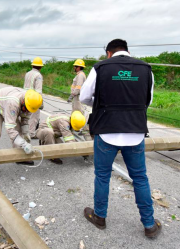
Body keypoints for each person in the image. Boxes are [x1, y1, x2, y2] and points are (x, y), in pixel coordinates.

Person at [79, 39, 161, 238]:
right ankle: (149, 225)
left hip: (106, 131)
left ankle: (99, 217)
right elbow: (147, 101)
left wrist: (99, 105)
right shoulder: (146, 69)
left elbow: (83, 98)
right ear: (128, 51)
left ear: (108, 53)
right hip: (135, 133)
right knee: (140, 178)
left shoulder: (99, 68)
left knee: (102, 176)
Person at [0, 87, 43, 176]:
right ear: (23, 102)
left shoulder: (30, 103)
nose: (27, 110)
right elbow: (10, 129)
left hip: (7, 107)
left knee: (19, 131)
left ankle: (19, 157)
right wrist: (24, 144)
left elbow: (25, 118)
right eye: (25, 108)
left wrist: (26, 133)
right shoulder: (13, 102)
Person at [68, 58, 92, 141]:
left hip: (78, 98)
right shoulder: (79, 75)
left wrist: (72, 94)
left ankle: (82, 128)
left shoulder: (80, 75)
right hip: (76, 97)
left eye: (75, 66)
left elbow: (78, 87)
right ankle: (75, 127)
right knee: (75, 113)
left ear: (78, 67)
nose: (74, 67)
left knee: (79, 113)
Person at [23, 57, 44, 139]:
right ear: (40, 66)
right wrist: (41, 103)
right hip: (33, 99)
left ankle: (24, 132)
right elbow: (38, 91)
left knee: (26, 116)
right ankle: (31, 133)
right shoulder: (38, 75)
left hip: (25, 97)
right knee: (34, 116)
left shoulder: (27, 73)